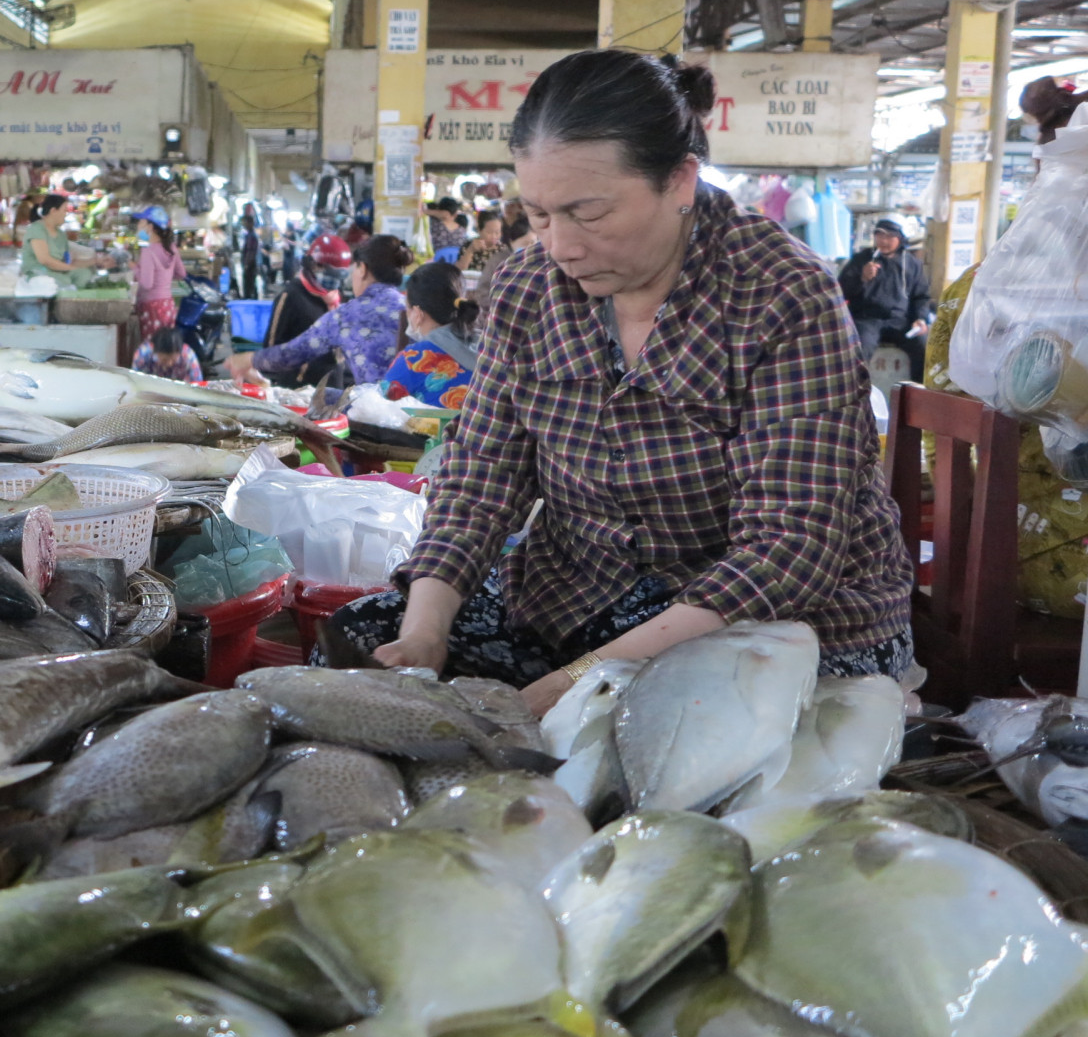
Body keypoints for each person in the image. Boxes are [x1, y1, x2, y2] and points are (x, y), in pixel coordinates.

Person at [328, 49, 911, 716]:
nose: (559, 245)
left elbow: (789, 546)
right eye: (539, 215)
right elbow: (482, 473)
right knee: (361, 653)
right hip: (582, 597)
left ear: (681, 180)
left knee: (667, 736)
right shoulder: (525, 286)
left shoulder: (781, 293)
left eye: (589, 213)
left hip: (770, 620)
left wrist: (573, 686)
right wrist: (424, 632)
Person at [231, 234, 411, 388]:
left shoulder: (346, 315)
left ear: (362, 269)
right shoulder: (414, 309)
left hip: (376, 415)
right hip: (423, 416)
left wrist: (248, 360)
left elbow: (292, 353)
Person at [837, 217, 931, 383]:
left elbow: (921, 297)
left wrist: (920, 319)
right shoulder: (862, 259)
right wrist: (861, 278)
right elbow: (841, 291)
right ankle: (855, 393)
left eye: (890, 236)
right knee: (860, 348)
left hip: (900, 321)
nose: (884, 241)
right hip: (868, 319)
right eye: (880, 235)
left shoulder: (912, 264)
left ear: (901, 238)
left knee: (922, 346)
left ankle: (918, 393)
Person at [381, 262, 480, 410]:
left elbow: (381, 409)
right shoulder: (490, 348)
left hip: (438, 433)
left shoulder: (413, 358)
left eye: (407, 307)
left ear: (418, 313)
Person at [258, 232, 350, 387]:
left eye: (338, 275)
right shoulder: (291, 296)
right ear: (312, 264)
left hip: (333, 387)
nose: (333, 281)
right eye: (327, 271)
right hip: (300, 388)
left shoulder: (335, 299)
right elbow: (271, 348)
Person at [131, 205, 187, 342]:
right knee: (166, 346)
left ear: (150, 227)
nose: (138, 226)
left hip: (152, 308)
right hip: (167, 305)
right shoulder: (171, 248)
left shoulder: (148, 251)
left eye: (141, 222)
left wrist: (133, 267)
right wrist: (163, 278)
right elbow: (181, 274)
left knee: (153, 348)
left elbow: (146, 283)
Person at [21, 193, 81, 286]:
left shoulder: (61, 234)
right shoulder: (36, 229)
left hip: (58, 275)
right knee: (68, 280)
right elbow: (45, 260)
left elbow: (66, 258)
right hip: (38, 277)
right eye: (64, 210)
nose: (66, 214)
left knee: (83, 275)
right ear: (53, 211)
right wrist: (71, 268)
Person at [132, 326, 204, 384]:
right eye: (165, 359)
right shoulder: (143, 355)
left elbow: (197, 386)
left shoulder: (189, 357)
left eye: (174, 359)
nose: (169, 363)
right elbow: (134, 382)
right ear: (154, 350)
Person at [238, 214, 261, 300]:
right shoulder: (249, 235)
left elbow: (251, 251)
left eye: (245, 223)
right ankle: (252, 297)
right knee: (250, 282)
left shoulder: (252, 236)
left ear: (250, 223)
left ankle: (250, 298)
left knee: (249, 282)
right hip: (250, 262)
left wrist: (247, 264)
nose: (244, 225)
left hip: (250, 263)